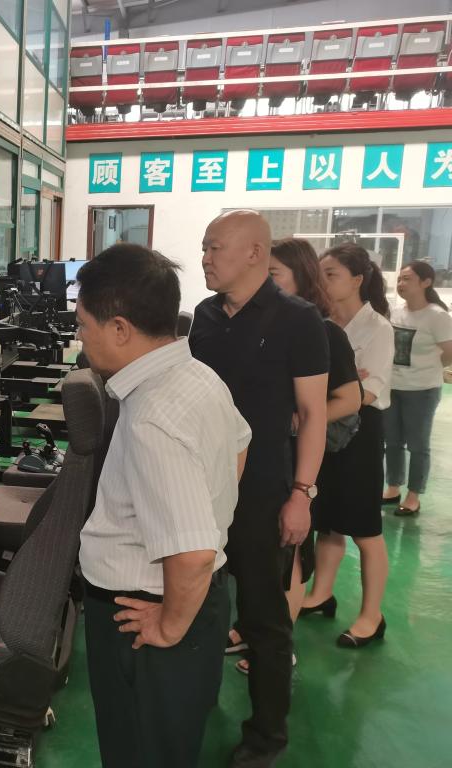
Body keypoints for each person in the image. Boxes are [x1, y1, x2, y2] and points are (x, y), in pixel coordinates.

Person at [75, 243, 251, 768]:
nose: (80, 337)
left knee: (140, 751)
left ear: (120, 329)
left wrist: (169, 625)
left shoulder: (153, 415)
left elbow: (192, 554)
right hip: (194, 598)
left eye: (83, 324)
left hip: (145, 616)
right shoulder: (196, 376)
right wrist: (208, 512)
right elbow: (241, 445)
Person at [189, 211, 329, 768]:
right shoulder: (204, 316)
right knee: (200, 600)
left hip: (265, 489)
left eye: (214, 247)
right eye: (204, 248)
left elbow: (313, 415)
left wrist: (302, 493)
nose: (205, 257)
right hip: (203, 487)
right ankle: (195, 700)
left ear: (253, 252)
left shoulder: (298, 320)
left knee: (264, 617)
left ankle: (266, 735)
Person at [232, 238, 362, 675]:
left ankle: (278, 648)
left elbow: (349, 398)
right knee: (257, 555)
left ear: (301, 278)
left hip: (297, 461)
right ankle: (252, 629)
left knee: (289, 560)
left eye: (273, 275)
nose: (263, 283)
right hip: (261, 461)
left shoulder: (323, 331)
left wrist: (296, 419)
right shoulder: (258, 325)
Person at [302, 244, 394, 648]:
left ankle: (372, 616)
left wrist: (341, 388)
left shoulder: (378, 328)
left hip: (361, 433)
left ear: (357, 280)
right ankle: (321, 594)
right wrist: (348, 379)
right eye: (320, 273)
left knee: (365, 528)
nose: (323, 281)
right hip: (324, 427)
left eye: (332, 274)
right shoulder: (320, 323)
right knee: (327, 518)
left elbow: (366, 393)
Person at [382, 260, 452, 516]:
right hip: (393, 387)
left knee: (418, 444)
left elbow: (449, 352)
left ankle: (414, 495)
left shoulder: (437, 315)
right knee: (392, 441)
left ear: (426, 282)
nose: (401, 283)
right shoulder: (396, 313)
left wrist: (429, 369)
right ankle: (393, 487)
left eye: (407, 279)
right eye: (400, 279)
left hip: (422, 390)